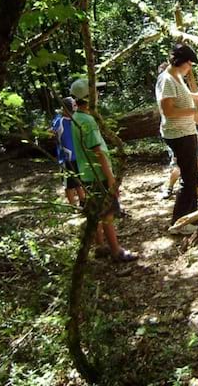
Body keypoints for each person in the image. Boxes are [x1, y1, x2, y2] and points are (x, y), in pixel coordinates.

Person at [70, 78, 138, 262]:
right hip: (97, 175)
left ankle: (100, 246)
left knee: (95, 212)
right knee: (107, 213)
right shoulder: (88, 121)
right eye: (95, 93)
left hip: (87, 174)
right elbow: (98, 152)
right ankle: (116, 251)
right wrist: (111, 179)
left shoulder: (77, 118)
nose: (98, 95)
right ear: (88, 97)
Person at [155, 44, 198, 223]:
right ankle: (180, 220)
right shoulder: (167, 80)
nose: (190, 68)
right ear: (182, 62)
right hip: (178, 135)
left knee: (191, 176)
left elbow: (191, 105)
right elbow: (168, 111)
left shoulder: (177, 78)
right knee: (188, 177)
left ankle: (191, 216)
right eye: (190, 64)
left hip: (186, 132)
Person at [50, 97, 86, 206]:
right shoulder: (71, 120)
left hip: (71, 157)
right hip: (72, 158)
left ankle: (78, 204)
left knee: (73, 183)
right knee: (74, 183)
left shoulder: (63, 120)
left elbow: (51, 132)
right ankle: (78, 204)